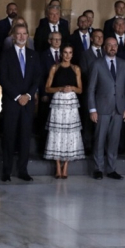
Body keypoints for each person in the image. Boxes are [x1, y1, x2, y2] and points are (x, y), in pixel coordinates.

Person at [0, 24, 41, 181]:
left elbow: (37, 77)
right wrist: (18, 96)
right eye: (19, 34)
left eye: (24, 34)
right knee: (9, 136)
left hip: (28, 103)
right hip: (12, 101)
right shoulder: (6, 55)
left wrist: (28, 95)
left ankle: (23, 170)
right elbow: (3, 78)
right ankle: (6, 171)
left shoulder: (33, 55)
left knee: (25, 137)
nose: (22, 36)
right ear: (13, 36)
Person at [86, 37, 125, 180]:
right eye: (109, 45)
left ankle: (112, 169)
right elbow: (91, 89)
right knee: (99, 139)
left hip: (119, 109)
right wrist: (92, 109)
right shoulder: (97, 64)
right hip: (102, 109)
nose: (112, 48)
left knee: (114, 140)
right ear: (104, 48)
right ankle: (98, 168)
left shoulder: (124, 64)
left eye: (115, 45)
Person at [43, 46, 84, 179]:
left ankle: (65, 165)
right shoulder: (54, 68)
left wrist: (71, 88)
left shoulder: (76, 68)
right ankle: (57, 165)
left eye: (70, 53)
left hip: (71, 103)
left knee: (70, 133)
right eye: (65, 53)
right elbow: (47, 88)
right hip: (58, 101)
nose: (67, 55)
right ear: (61, 54)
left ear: (72, 54)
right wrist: (60, 88)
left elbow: (80, 90)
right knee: (57, 132)